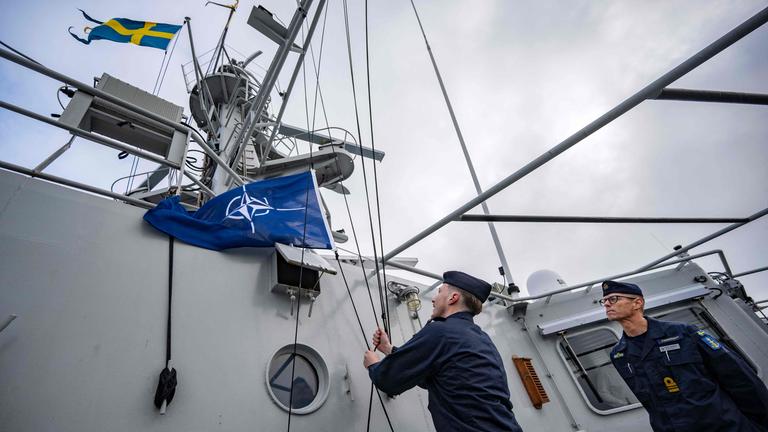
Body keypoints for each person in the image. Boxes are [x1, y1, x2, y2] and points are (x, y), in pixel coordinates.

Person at [363, 271, 523, 432]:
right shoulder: (482, 338)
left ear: (453, 298)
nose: (433, 299)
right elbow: (440, 378)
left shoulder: (440, 331)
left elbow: (389, 380)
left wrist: (374, 364)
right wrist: (389, 349)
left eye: (439, 292)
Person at [602, 280, 768, 432]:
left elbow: (740, 379)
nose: (607, 304)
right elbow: (651, 404)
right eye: (605, 301)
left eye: (614, 298)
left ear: (637, 303)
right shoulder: (619, 355)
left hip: (724, 426)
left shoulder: (683, 333)